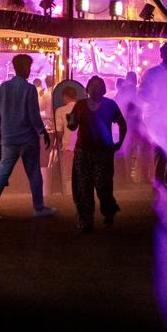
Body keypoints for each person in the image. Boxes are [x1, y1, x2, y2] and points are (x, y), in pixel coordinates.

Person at [0, 54, 56, 220]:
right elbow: (33, 115)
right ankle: (38, 207)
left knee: (3, 171)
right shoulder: (29, 89)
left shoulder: (3, 88)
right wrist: (41, 131)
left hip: (8, 137)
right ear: (24, 68)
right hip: (27, 138)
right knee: (34, 173)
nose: (29, 70)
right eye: (28, 67)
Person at [66, 75, 127, 231]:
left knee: (103, 185)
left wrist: (119, 143)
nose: (95, 88)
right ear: (87, 88)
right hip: (83, 151)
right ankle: (86, 220)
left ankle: (108, 211)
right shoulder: (79, 105)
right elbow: (72, 127)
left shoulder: (110, 105)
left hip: (103, 152)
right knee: (83, 187)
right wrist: (71, 122)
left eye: (98, 85)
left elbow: (122, 124)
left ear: (103, 89)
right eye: (92, 85)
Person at [140, 42, 167, 186]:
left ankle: (164, 177)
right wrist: (157, 103)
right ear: (162, 55)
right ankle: (159, 180)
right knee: (160, 145)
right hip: (155, 115)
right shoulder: (152, 73)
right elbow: (142, 93)